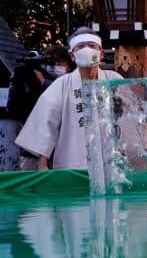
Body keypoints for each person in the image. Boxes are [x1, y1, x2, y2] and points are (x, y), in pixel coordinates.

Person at [14, 27, 123, 170]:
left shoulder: (114, 80)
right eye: (80, 47)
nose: (86, 50)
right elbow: (46, 121)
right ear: (72, 56)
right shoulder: (61, 85)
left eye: (91, 46)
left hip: (111, 159)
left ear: (101, 54)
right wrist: (43, 161)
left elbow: (129, 116)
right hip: (72, 161)